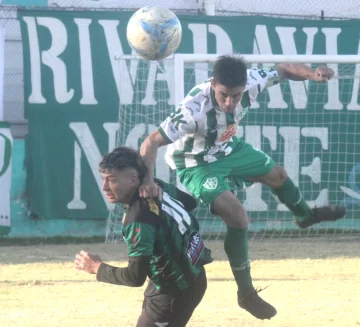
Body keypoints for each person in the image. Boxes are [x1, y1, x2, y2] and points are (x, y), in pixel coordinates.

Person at [138, 55, 347, 320]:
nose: (229, 102)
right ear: (213, 83)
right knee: (237, 216)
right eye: (223, 95)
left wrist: (312, 73)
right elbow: (151, 142)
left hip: (228, 149)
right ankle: (246, 293)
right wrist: (146, 182)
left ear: (244, 86)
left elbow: (284, 69)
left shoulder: (252, 82)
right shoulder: (193, 109)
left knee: (279, 176)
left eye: (235, 96)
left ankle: (305, 217)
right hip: (197, 165)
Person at [74, 146, 213, 327]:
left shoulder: (138, 218)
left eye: (112, 180)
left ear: (133, 180)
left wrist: (97, 268)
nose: (104, 187)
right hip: (194, 277)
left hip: (171, 293)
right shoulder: (157, 186)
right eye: (103, 179)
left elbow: (134, 277)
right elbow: (190, 202)